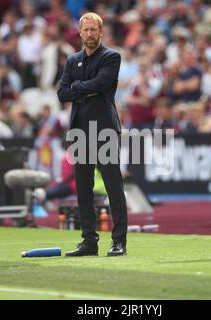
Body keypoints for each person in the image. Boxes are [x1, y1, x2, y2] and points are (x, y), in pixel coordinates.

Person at [57, 12, 128, 257]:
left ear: (101, 32)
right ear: (80, 32)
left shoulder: (111, 56)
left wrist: (77, 88)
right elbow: (62, 93)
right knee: (83, 190)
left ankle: (119, 242)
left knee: (113, 187)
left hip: (105, 129)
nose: (89, 34)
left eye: (93, 30)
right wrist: (82, 90)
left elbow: (101, 84)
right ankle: (89, 242)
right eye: (85, 30)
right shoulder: (72, 60)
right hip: (80, 131)